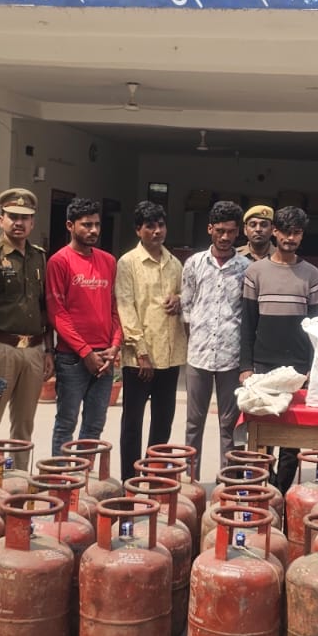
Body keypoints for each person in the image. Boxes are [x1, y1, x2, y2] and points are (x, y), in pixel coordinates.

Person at [239, 205, 318, 492]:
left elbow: (315, 327)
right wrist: (246, 366)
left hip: (298, 366)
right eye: (285, 232)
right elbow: (247, 323)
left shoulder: (311, 274)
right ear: (275, 231)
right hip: (263, 363)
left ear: (302, 235)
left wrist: (313, 368)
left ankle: (284, 493)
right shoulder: (255, 271)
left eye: (296, 233)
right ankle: (264, 491)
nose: (290, 238)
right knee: (262, 435)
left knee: (292, 439)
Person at [0, 188, 51, 461]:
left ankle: (18, 480)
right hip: (1, 350)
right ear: (1, 220)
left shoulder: (39, 257)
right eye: (13, 216)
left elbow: (44, 307)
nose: (19, 222)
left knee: (24, 426)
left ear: (33, 223)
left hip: (34, 351)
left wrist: (48, 350)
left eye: (25, 217)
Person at [115, 200, 186, 480]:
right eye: (150, 226)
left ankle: (153, 477)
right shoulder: (128, 263)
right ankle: (130, 480)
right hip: (139, 359)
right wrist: (141, 352)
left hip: (170, 355)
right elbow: (126, 307)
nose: (157, 231)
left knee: (163, 423)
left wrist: (179, 299)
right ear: (138, 230)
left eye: (161, 225)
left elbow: (186, 294)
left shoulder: (175, 263)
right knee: (132, 423)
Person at [46, 197, 122, 458]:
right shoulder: (59, 261)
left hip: (104, 357)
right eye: (86, 225)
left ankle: (84, 477)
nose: (93, 230)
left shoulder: (108, 261)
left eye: (97, 225)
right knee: (66, 424)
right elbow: (57, 313)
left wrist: (115, 345)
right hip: (72, 358)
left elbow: (114, 308)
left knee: (94, 426)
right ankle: (60, 477)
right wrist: (85, 352)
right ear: (70, 225)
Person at [181, 200, 249, 476]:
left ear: (238, 232)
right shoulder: (194, 264)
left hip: (231, 357)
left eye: (230, 231)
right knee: (193, 423)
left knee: (229, 424)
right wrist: (195, 340)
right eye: (220, 231)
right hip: (198, 355)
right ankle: (191, 479)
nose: (224, 237)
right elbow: (187, 308)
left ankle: (228, 481)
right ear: (210, 229)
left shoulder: (246, 268)